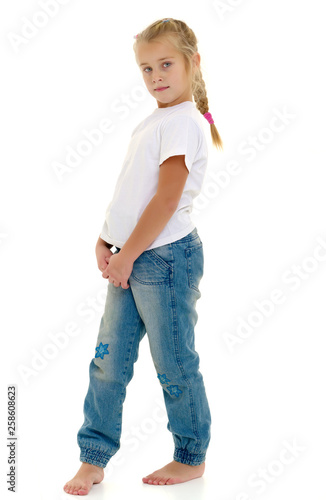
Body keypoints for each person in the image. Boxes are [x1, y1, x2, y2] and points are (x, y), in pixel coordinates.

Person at [63, 17, 223, 495]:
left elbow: (166, 201)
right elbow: (135, 193)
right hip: (130, 257)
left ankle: (191, 456)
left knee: (173, 362)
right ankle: (93, 456)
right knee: (109, 360)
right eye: (147, 67)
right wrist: (107, 239)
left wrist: (128, 255)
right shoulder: (157, 120)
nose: (156, 76)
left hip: (164, 261)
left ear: (193, 63)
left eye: (166, 64)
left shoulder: (183, 123)